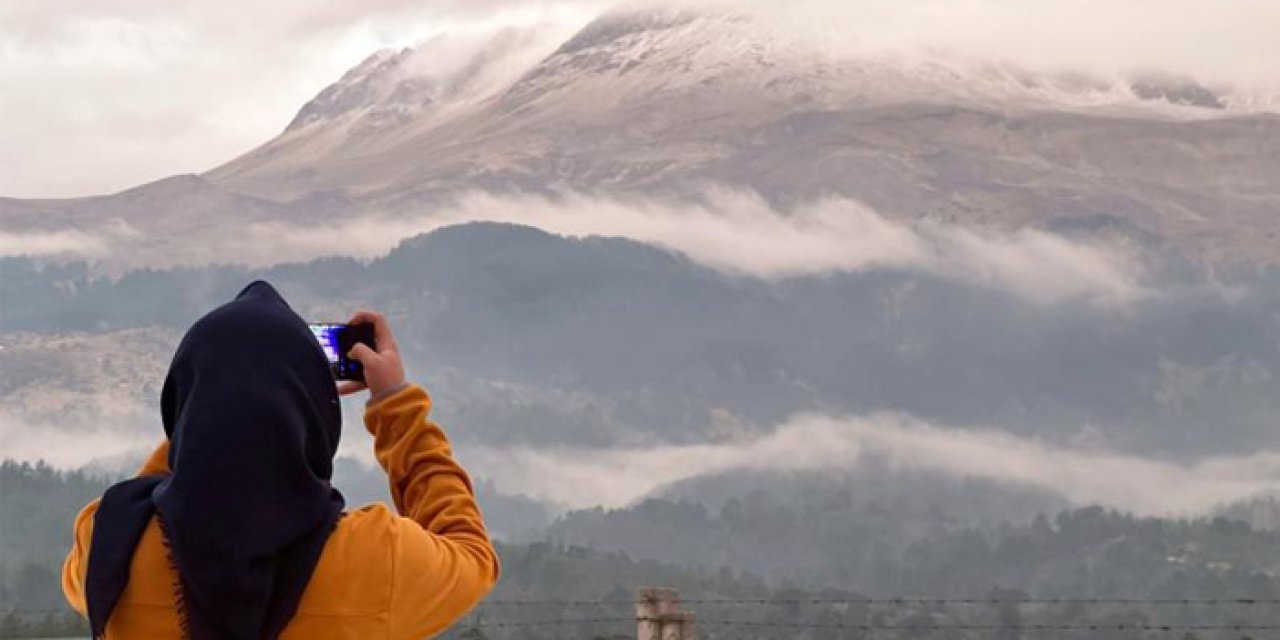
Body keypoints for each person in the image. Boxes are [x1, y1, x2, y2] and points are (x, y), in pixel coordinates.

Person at [60, 281, 499, 639]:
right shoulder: (374, 559)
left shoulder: (109, 543)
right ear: (312, 412)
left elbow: (164, 490)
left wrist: (201, 423)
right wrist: (394, 403)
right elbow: (471, 552)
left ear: (182, 397)